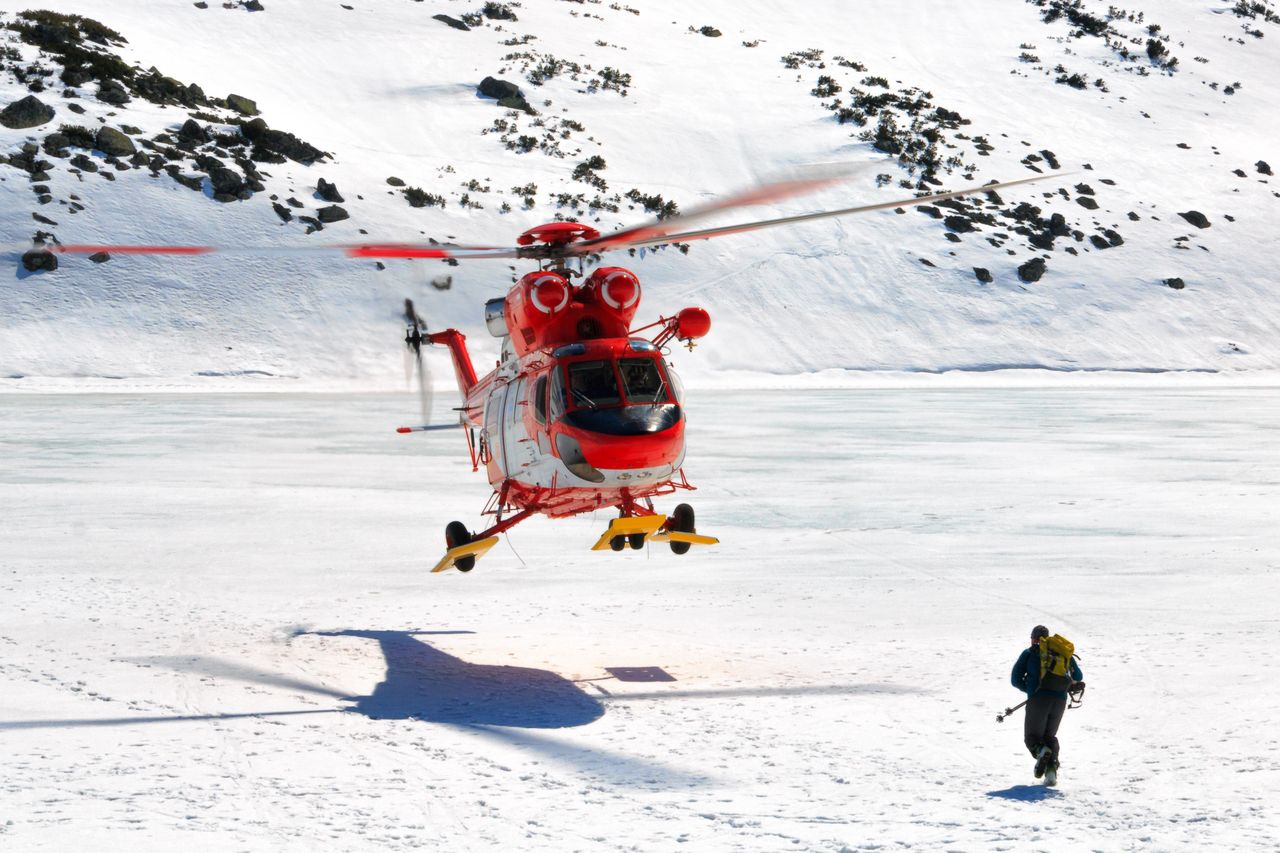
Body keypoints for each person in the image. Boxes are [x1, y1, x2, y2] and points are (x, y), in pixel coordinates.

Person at [1010, 625, 1083, 783]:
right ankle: (1051, 773)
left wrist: (1031, 690)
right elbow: (1078, 675)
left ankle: (1042, 752)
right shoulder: (1061, 652)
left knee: (1032, 738)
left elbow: (1015, 679)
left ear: (1033, 638)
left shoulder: (1029, 653)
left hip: (1038, 700)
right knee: (1049, 736)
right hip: (1060, 701)